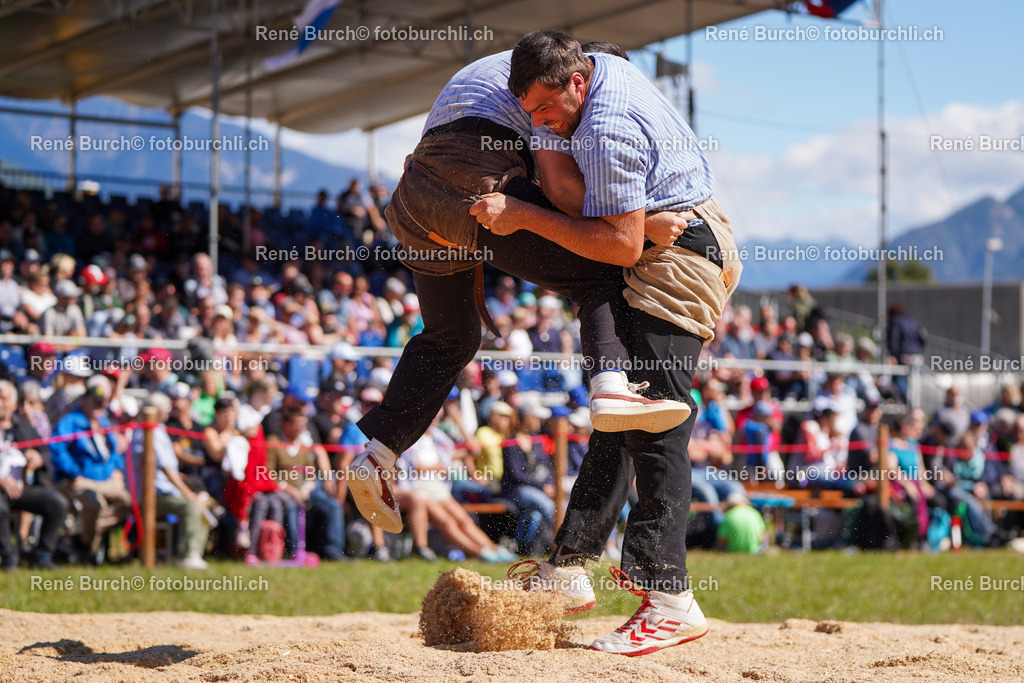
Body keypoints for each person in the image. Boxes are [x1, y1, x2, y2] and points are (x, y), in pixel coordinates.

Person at [347, 43, 701, 536]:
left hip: (413, 200)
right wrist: (641, 227)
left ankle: (378, 451)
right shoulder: (550, 96)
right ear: (584, 75)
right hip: (474, 186)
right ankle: (612, 387)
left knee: (451, 335)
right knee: (601, 266)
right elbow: (562, 193)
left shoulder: (523, 69)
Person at [475, 31, 742, 654]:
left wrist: (522, 216)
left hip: (678, 259)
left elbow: (619, 245)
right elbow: (598, 209)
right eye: (531, 115)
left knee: (657, 427)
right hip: (677, 243)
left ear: (578, 82)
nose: (541, 123)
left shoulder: (605, 126)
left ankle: (669, 597)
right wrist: (549, 135)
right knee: (627, 419)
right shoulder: (598, 70)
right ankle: (571, 564)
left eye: (547, 110)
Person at [131, 393, 212, 569]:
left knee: (205, 501)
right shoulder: (150, 430)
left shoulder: (155, 429)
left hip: (160, 488)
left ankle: (196, 552)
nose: (169, 411)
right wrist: (188, 493)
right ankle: (188, 555)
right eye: (166, 408)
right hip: (150, 493)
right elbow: (167, 470)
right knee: (190, 505)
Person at [0, 380, 69, 570]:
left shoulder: (22, 426)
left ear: (13, 404)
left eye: (3, 398)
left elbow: (46, 453)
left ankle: (42, 555)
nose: (0, 403)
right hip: (1, 490)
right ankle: (9, 558)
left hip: (22, 488)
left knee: (57, 503)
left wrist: (38, 458)